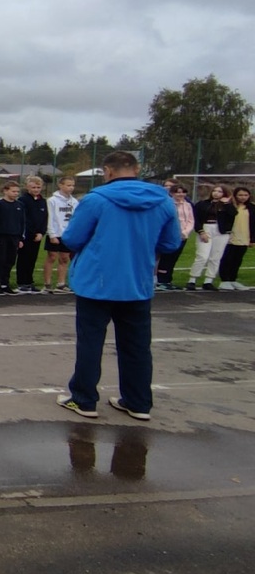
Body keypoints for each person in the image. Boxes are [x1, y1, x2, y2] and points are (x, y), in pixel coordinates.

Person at [56, 151, 181, 422]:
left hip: (97, 282)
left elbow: (73, 238)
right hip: (137, 281)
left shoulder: (96, 199)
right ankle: (138, 402)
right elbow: (171, 243)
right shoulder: (163, 201)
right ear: (137, 169)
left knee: (90, 343)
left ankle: (84, 399)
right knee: (137, 345)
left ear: (108, 171)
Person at [186, 185, 234, 291]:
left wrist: (226, 204)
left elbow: (233, 215)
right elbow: (196, 219)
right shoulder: (202, 204)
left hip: (221, 232)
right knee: (202, 256)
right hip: (206, 228)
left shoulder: (228, 206)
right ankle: (192, 279)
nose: (216, 193)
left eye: (220, 191)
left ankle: (208, 281)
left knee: (215, 257)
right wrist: (201, 231)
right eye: (214, 191)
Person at [155, 185, 194, 291]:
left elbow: (190, 220)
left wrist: (185, 232)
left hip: (183, 236)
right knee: (166, 257)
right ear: (172, 193)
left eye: (183, 192)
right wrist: (175, 233)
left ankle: (168, 280)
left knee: (174, 258)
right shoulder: (168, 204)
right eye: (178, 192)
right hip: (171, 235)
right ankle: (161, 281)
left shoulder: (187, 205)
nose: (180, 194)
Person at [44, 176, 79, 293]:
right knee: (52, 256)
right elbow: (50, 217)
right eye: (68, 185)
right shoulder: (52, 200)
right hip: (55, 232)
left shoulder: (74, 202)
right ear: (60, 185)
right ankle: (47, 284)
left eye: (72, 185)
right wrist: (52, 234)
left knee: (64, 258)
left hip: (67, 234)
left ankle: (61, 283)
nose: (71, 188)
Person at [0, 182, 25, 295]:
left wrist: (20, 238)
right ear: (5, 191)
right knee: (0, 260)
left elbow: (22, 222)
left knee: (10, 261)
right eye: (13, 191)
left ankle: (5, 284)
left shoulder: (19, 205)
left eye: (17, 191)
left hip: (14, 237)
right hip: (1, 237)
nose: (16, 193)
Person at [16, 176, 49, 293]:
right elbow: (24, 219)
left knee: (32, 259)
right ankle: (22, 282)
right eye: (33, 187)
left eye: (38, 187)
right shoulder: (23, 200)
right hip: (26, 235)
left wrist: (41, 232)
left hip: (38, 236)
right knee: (23, 258)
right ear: (27, 187)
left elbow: (44, 218)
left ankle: (29, 281)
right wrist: (32, 232)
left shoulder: (42, 201)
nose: (36, 189)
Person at [217, 186, 251, 290]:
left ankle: (233, 279)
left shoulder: (251, 208)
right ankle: (224, 280)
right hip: (230, 236)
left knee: (237, 260)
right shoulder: (230, 206)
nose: (243, 197)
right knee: (227, 258)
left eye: (245, 195)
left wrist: (253, 239)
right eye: (240, 195)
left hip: (244, 237)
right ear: (235, 196)